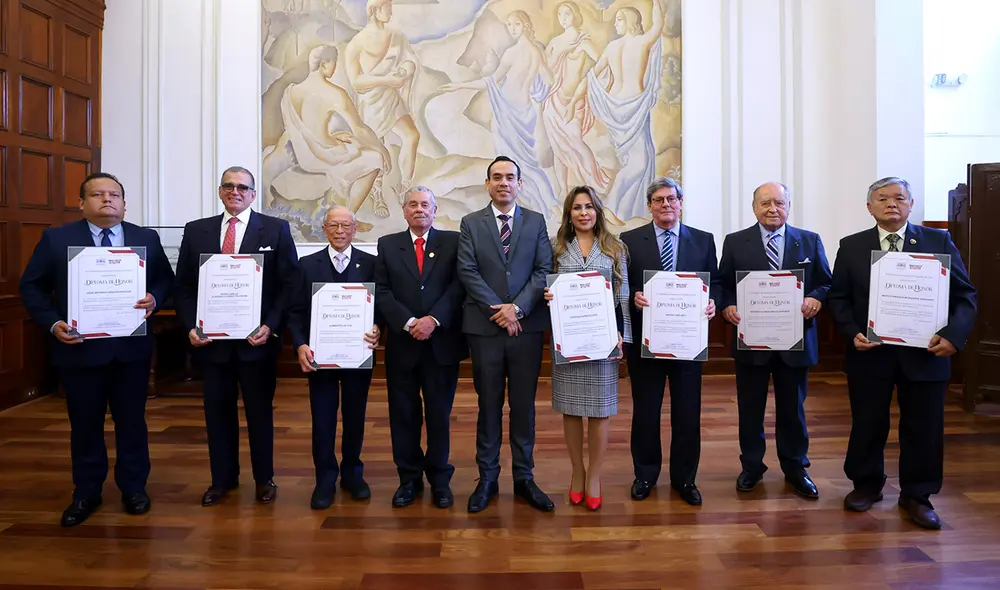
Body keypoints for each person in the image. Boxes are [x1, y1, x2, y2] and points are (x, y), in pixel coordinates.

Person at [19, 172, 174, 526]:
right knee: (85, 424)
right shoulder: (57, 239)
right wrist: (53, 323)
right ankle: (86, 492)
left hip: (130, 350)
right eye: (98, 194)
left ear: (124, 202)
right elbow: (33, 287)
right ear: (81, 203)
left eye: (114, 195)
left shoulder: (144, 238)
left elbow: (165, 279)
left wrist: (155, 298)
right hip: (80, 349)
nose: (107, 200)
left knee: (132, 423)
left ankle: (134, 488)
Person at [827, 177, 977, 530]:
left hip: (925, 353)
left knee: (924, 427)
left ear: (911, 205)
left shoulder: (937, 240)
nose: (892, 204)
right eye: (883, 199)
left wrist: (954, 337)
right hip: (871, 353)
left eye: (899, 198)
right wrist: (852, 333)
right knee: (867, 422)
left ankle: (917, 495)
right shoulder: (851, 246)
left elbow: (965, 296)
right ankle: (866, 484)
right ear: (869, 207)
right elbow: (839, 299)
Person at [174, 166, 301, 507]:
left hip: (256, 343)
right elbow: (184, 287)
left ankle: (264, 479)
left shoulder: (275, 230)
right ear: (220, 191)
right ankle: (223, 480)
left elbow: (288, 285)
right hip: (211, 344)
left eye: (243, 187)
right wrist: (189, 326)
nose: (236, 192)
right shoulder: (197, 231)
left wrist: (271, 326)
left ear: (253, 194)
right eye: (229, 186)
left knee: (259, 413)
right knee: (217, 412)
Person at [718, 182, 832, 498]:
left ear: (789, 206)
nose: (772, 209)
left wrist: (815, 298)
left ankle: (796, 468)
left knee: (793, 408)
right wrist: (727, 304)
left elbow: (825, 283)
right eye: (765, 203)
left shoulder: (808, 241)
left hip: (795, 341)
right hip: (751, 341)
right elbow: (723, 283)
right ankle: (752, 466)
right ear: (754, 207)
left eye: (779, 203)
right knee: (750, 407)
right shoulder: (736, 242)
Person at [457, 155, 555, 513]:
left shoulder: (536, 222)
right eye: (496, 177)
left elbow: (544, 268)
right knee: (488, 405)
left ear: (519, 183)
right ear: (487, 184)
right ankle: (487, 478)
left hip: (526, 329)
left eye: (510, 177)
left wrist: (519, 309)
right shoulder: (471, 223)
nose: (503, 183)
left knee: (524, 406)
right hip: (485, 329)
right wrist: (500, 310)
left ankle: (524, 477)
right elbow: (467, 271)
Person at [620, 177, 718, 506]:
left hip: (688, 343)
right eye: (659, 200)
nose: (666, 205)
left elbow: (713, 282)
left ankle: (684, 478)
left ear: (680, 203)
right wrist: (634, 296)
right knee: (646, 412)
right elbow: (624, 286)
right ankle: (645, 474)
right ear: (649, 205)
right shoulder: (629, 240)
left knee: (687, 413)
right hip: (646, 343)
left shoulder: (703, 241)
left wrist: (712, 301)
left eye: (672, 199)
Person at [374, 187, 466, 509]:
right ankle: (408, 480)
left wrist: (434, 319)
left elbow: (459, 286)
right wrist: (410, 321)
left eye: (425, 204)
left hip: (441, 345)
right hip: (403, 345)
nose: (419, 209)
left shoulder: (453, 243)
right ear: (404, 210)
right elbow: (382, 291)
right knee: (403, 415)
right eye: (412, 204)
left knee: (439, 415)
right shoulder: (388, 245)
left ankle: (440, 480)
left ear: (435, 210)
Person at [288, 206, 381, 509]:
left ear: (356, 230)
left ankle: (353, 473)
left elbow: (381, 307)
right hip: (320, 359)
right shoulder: (306, 265)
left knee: (355, 418)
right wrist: (300, 345)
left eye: (346, 225)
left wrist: (379, 328)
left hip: (358, 356)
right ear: (323, 229)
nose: (340, 231)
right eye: (333, 225)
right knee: (323, 420)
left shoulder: (372, 265)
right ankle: (325, 478)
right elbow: (296, 312)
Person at [543, 186, 630, 511]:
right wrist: (546, 295)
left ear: (597, 212)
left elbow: (623, 295)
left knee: (599, 411)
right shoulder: (554, 248)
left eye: (589, 207)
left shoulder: (615, 248)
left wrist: (622, 335)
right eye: (577, 207)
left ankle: (594, 475)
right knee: (570, 408)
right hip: (569, 341)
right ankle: (576, 472)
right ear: (569, 213)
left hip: (603, 341)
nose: (583, 213)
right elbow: (543, 284)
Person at [263, 44, 391, 233]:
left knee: (350, 142)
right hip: (324, 156)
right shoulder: (335, 93)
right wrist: (382, 149)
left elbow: (301, 129)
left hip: (303, 153)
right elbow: (359, 128)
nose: (335, 68)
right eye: (334, 63)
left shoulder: (291, 91)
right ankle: (348, 218)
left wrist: (334, 136)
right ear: (324, 64)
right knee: (375, 158)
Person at [569, 0, 666, 221]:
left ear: (631, 22)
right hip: (633, 108)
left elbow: (591, 76)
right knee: (640, 162)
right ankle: (610, 207)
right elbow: (659, 24)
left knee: (636, 161)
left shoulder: (616, 47)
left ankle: (623, 211)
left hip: (618, 108)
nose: (616, 24)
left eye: (619, 20)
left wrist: (576, 100)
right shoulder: (641, 42)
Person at [344, 0, 421, 214]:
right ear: (376, 10)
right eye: (387, 6)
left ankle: (405, 187)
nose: (391, 11)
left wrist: (404, 72)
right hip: (371, 100)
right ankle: (377, 195)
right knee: (377, 148)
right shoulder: (357, 43)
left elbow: (410, 59)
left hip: (391, 97)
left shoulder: (396, 35)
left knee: (411, 136)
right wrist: (387, 79)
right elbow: (357, 82)